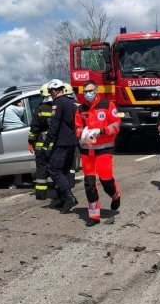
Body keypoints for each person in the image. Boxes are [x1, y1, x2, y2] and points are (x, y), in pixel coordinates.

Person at [75, 80, 121, 227]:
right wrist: (83, 133)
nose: (88, 94)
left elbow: (116, 124)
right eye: (85, 91)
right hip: (87, 151)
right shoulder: (80, 109)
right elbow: (76, 128)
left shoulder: (107, 105)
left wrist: (101, 131)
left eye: (90, 90)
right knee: (89, 183)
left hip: (104, 149)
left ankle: (115, 195)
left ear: (96, 90)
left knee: (106, 180)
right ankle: (94, 215)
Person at [46, 79, 79, 213]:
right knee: (65, 170)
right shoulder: (72, 102)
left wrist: (47, 143)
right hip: (72, 141)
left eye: (50, 91)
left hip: (62, 142)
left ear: (54, 90)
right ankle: (65, 199)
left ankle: (69, 197)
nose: (50, 94)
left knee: (54, 169)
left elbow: (54, 126)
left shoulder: (58, 103)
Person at [28, 84, 54, 200]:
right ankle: (60, 192)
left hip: (41, 145)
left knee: (41, 170)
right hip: (56, 146)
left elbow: (34, 128)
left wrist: (30, 141)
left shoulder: (40, 108)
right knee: (56, 169)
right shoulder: (58, 107)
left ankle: (41, 195)